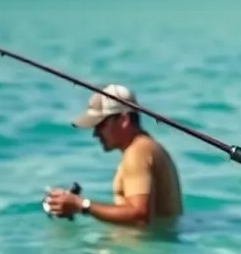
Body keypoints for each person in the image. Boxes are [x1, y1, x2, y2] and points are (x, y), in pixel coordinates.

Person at [45, 83, 183, 227]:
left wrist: (81, 205)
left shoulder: (137, 153)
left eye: (100, 125)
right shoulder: (147, 147)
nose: (95, 133)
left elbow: (139, 215)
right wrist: (76, 205)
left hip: (142, 248)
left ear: (124, 120)